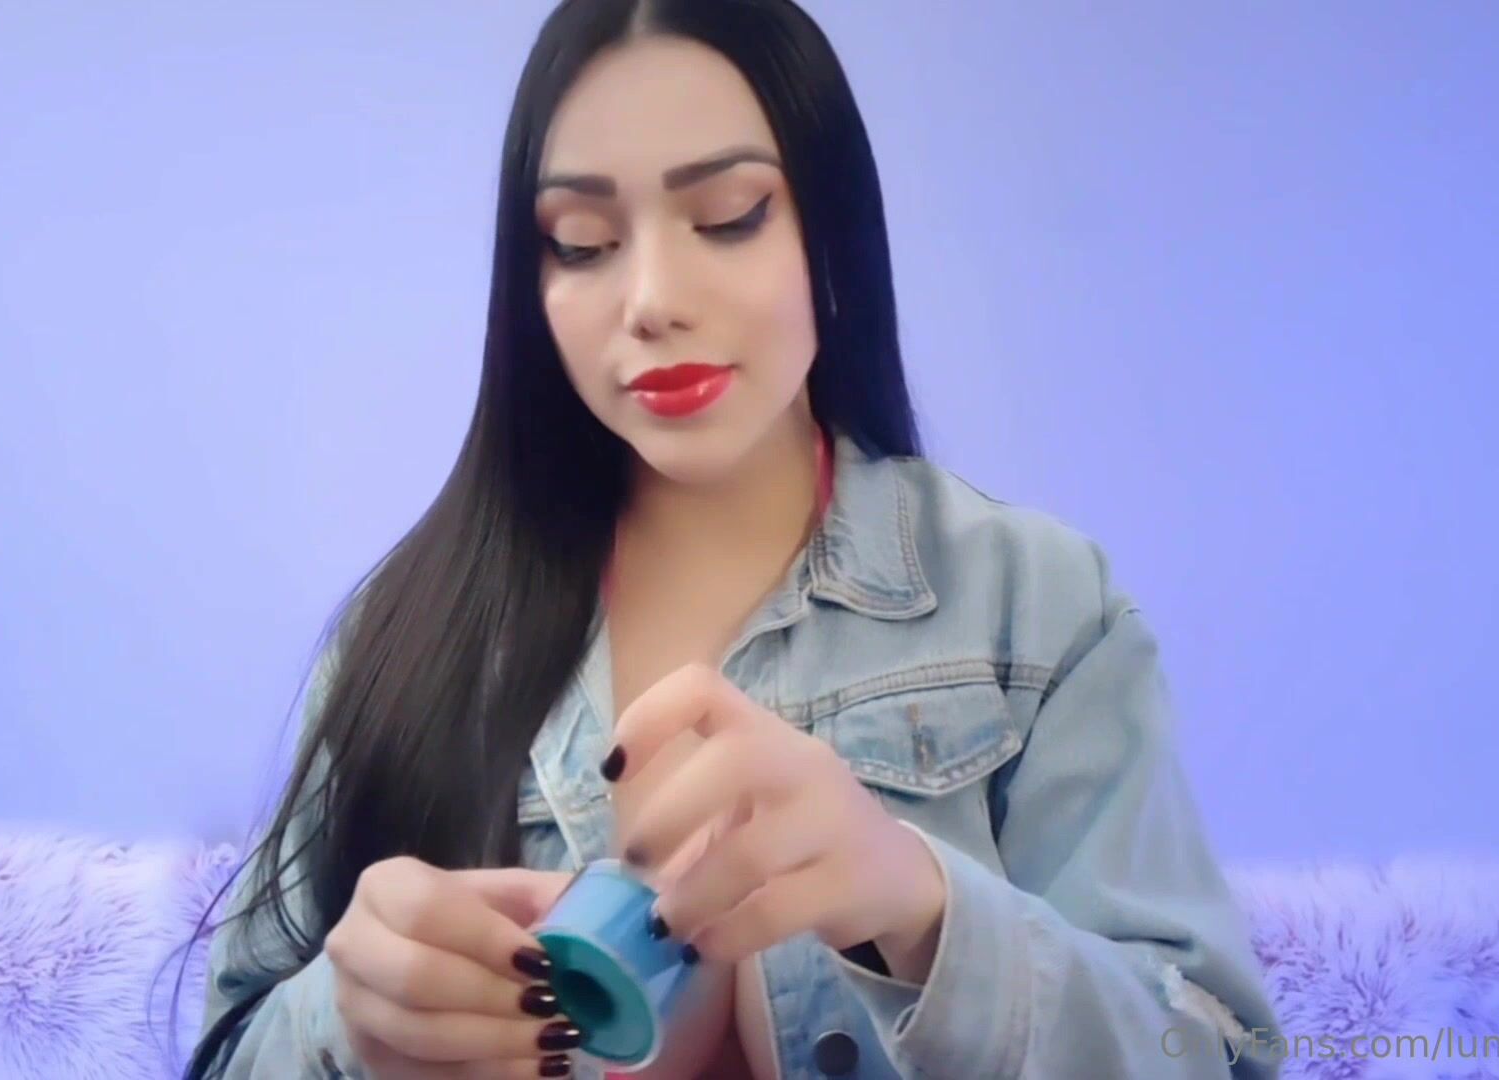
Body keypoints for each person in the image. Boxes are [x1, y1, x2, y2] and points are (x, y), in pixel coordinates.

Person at [184, 0, 1283, 1076]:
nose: (653, 299)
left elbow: (1214, 1053)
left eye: (728, 216)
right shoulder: (411, 639)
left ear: (831, 232)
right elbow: (228, 1050)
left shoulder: (1032, 607)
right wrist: (344, 1021)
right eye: (583, 243)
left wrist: (921, 907)